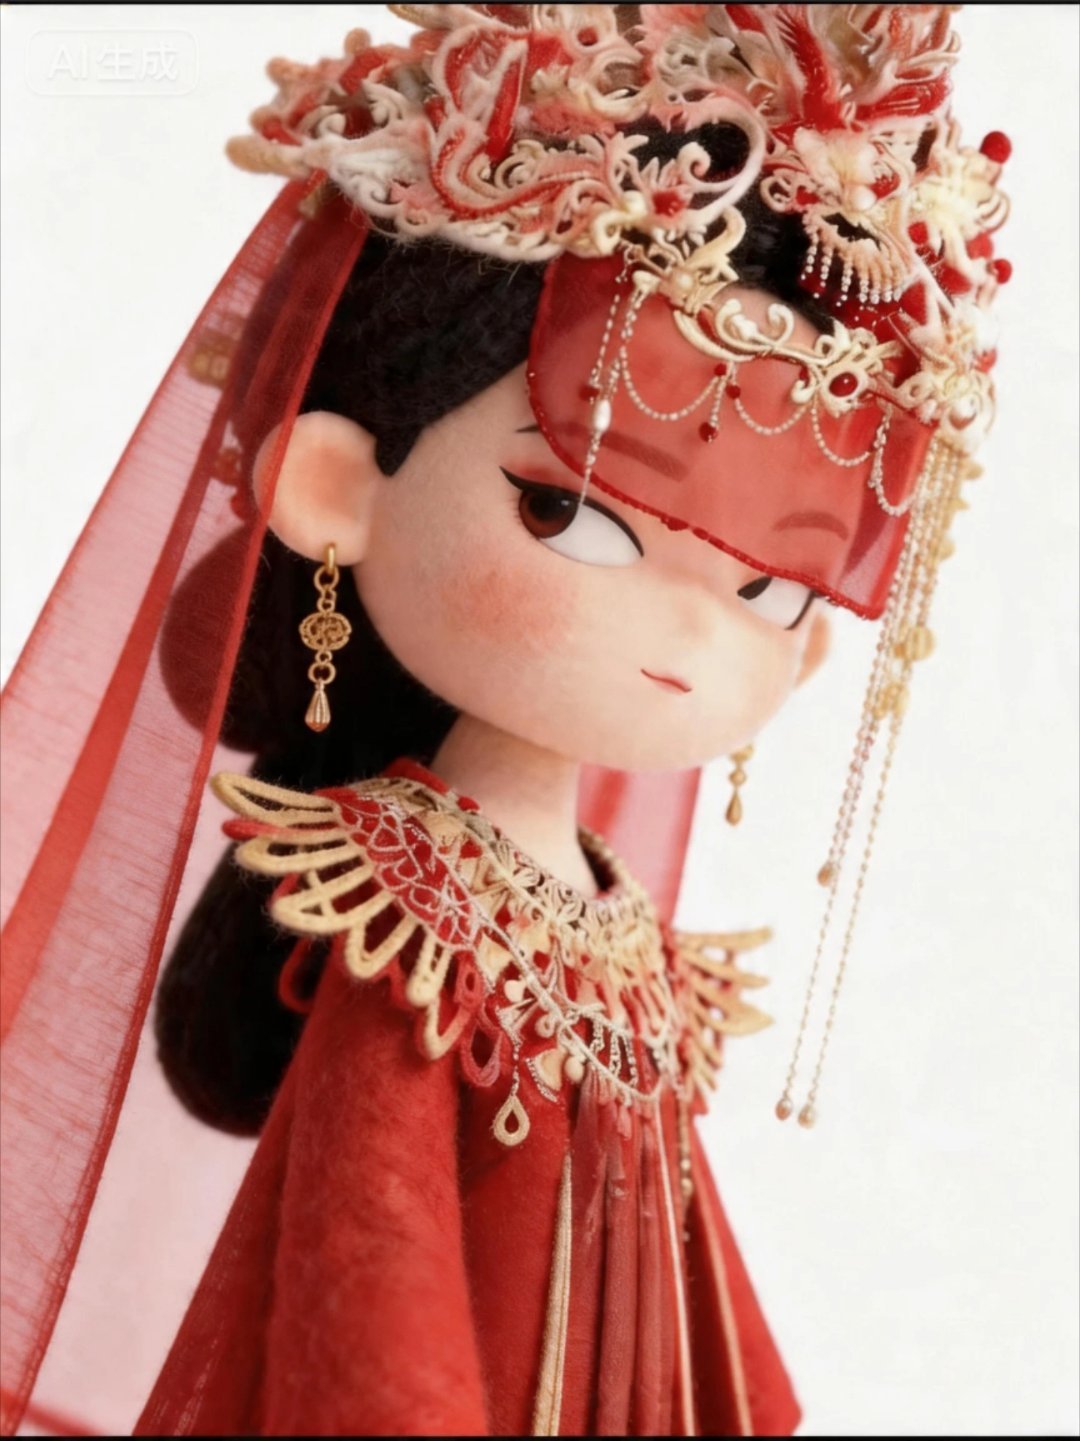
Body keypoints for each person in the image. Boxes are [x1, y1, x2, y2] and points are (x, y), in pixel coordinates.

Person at [0, 6, 1010, 1436]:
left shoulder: (608, 917)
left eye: (772, 588)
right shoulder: (409, 911)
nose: (689, 635)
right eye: (574, 516)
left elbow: (678, 1225)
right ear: (335, 489)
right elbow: (371, 1231)